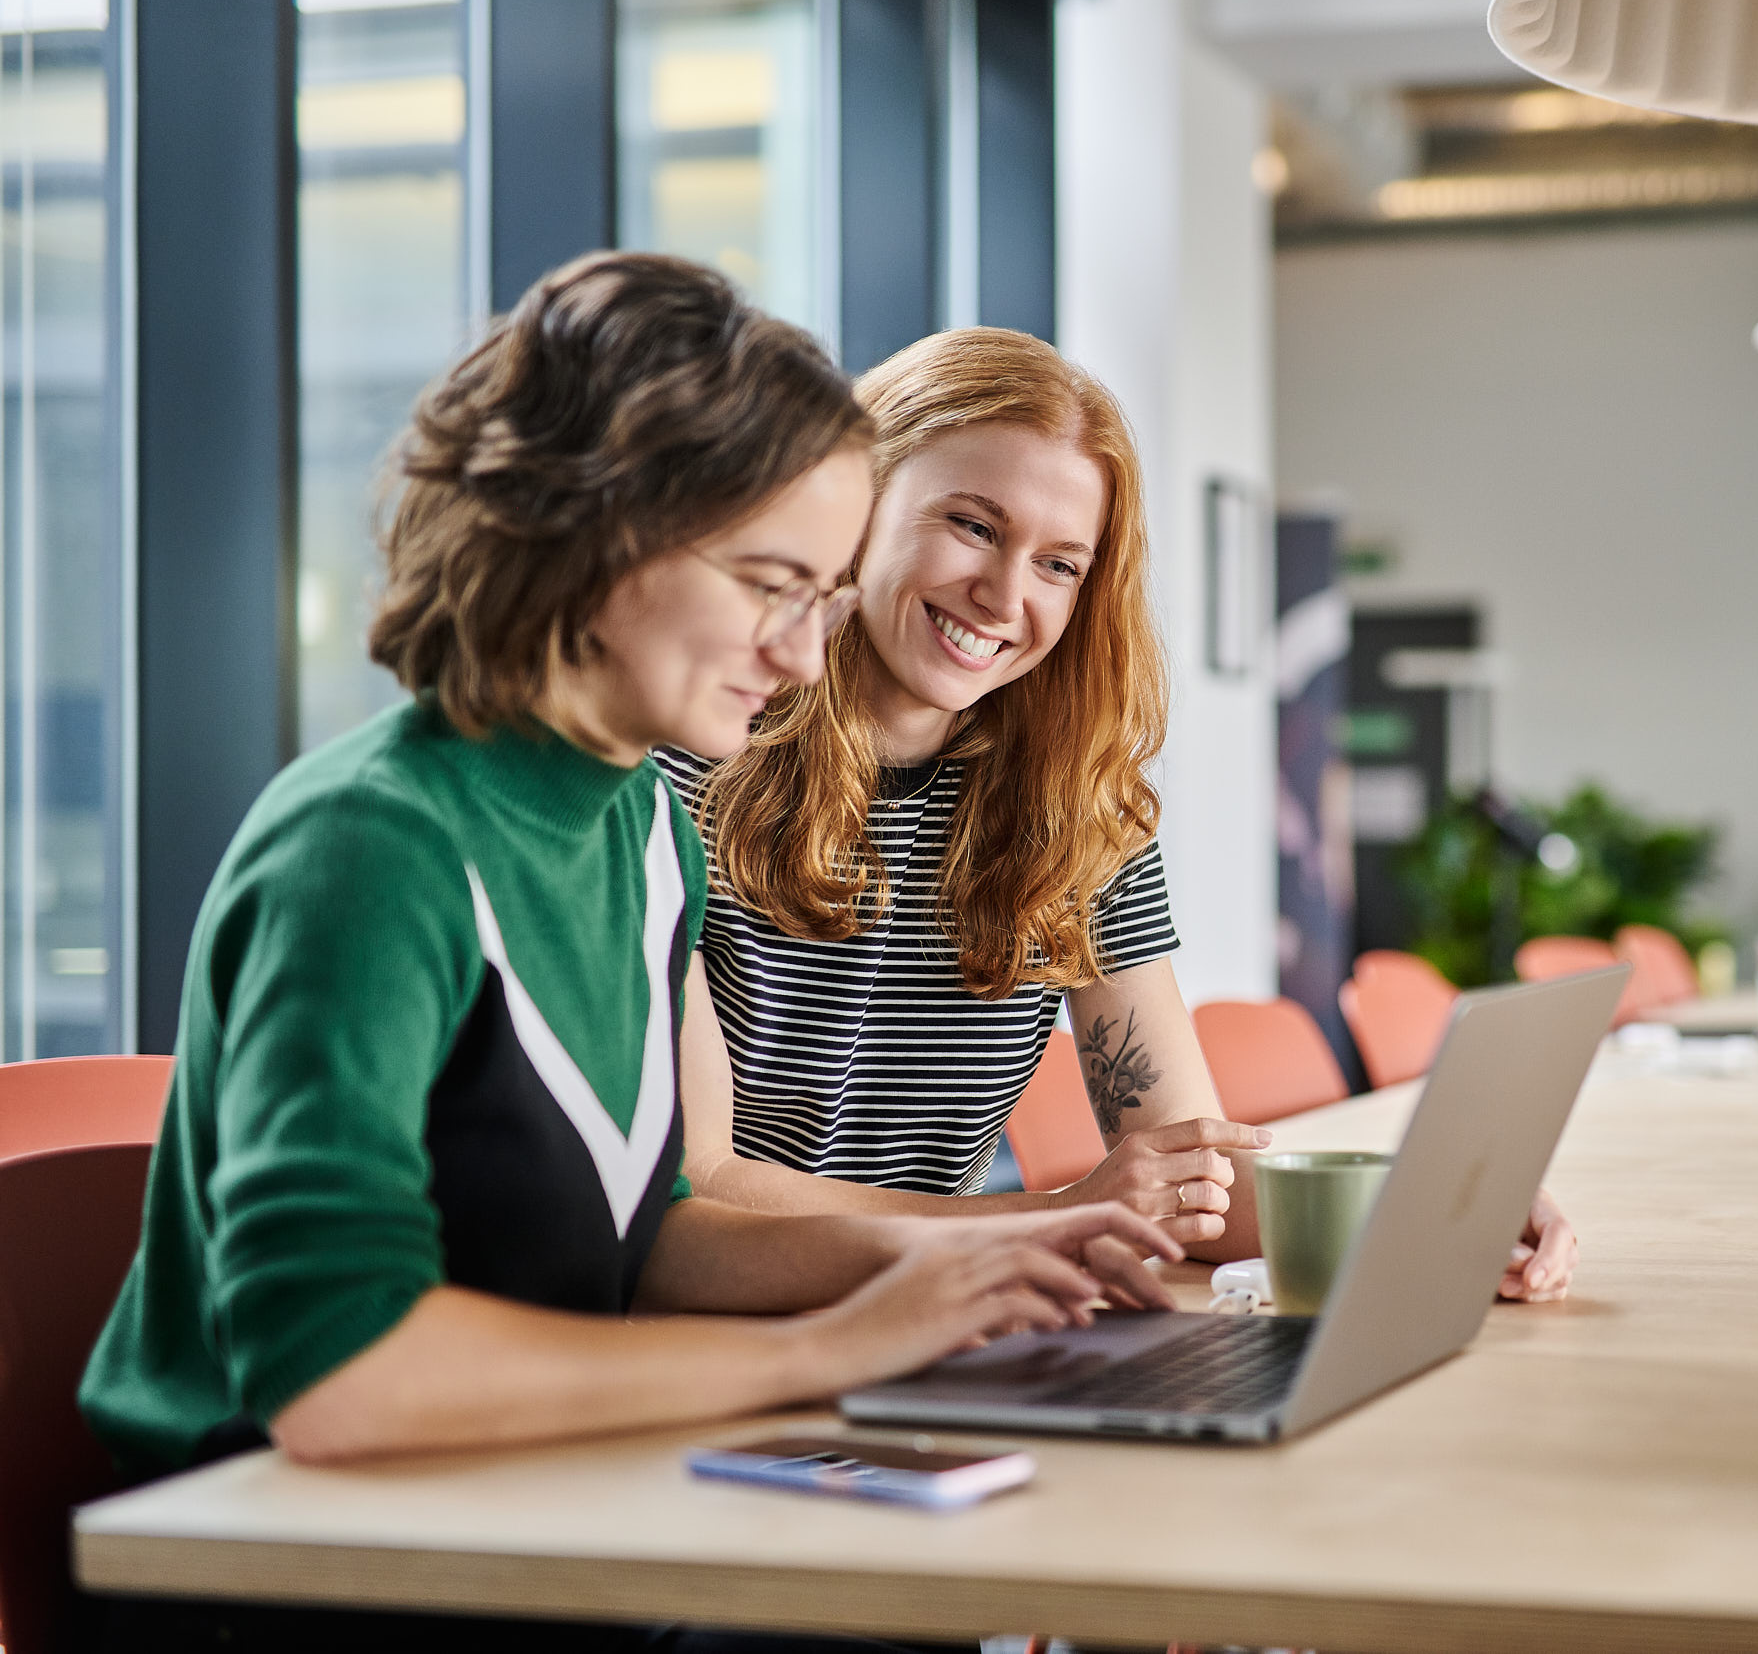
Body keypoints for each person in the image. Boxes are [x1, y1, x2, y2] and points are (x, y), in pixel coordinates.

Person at [77, 255, 1177, 1654]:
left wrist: (972, 1269)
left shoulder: (636, 831)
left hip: (536, 1497)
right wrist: (830, 1344)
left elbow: (649, 1237)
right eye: (776, 583)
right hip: (307, 1565)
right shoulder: (371, 844)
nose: (802, 651)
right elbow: (339, 1381)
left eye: (824, 592)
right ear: (600, 536)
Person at [662, 327, 1576, 1299]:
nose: (1004, 594)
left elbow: (1182, 1175)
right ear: (852, 503)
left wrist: (1432, 1213)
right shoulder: (682, 776)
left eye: (1059, 565)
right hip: (722, 1335)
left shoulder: (1072, 811)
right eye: (971, 524)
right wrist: (1046, 1219)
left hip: (936, 1322)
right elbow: (701, 1187)